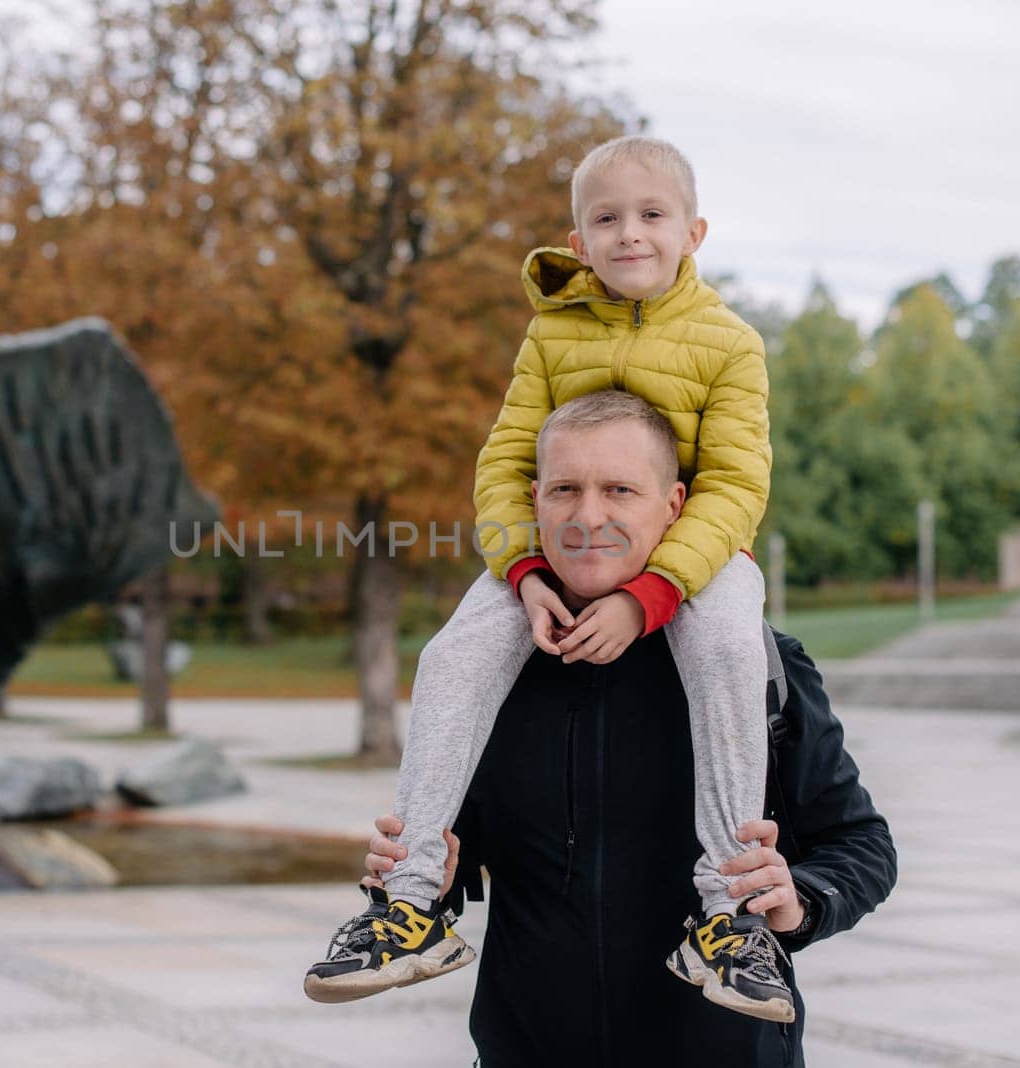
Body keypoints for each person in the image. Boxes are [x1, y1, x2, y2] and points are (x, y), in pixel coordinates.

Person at [305, 134, 781, 1017]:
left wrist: (652, 595)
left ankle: (728, 919)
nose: (629, 233)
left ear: (694, 232)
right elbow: (504, 466)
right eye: (606, 218)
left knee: (725, 650)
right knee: (451, 656)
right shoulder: (551, 331)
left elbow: (735, 484)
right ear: (577, 235)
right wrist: (523, 570)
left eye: (651, 215)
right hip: (547, 554)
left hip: (697, 560)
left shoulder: (730, 343)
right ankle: (408, 903)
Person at [360, 393, 896, 1065]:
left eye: (619, 489)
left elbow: (862, 844)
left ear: (673, 507)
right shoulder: (491, 675)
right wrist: (428, 877)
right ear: (533, 501)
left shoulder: (757, 666)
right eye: (565, 490)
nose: (589, 516)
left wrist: (799, 902)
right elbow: (468, 846)